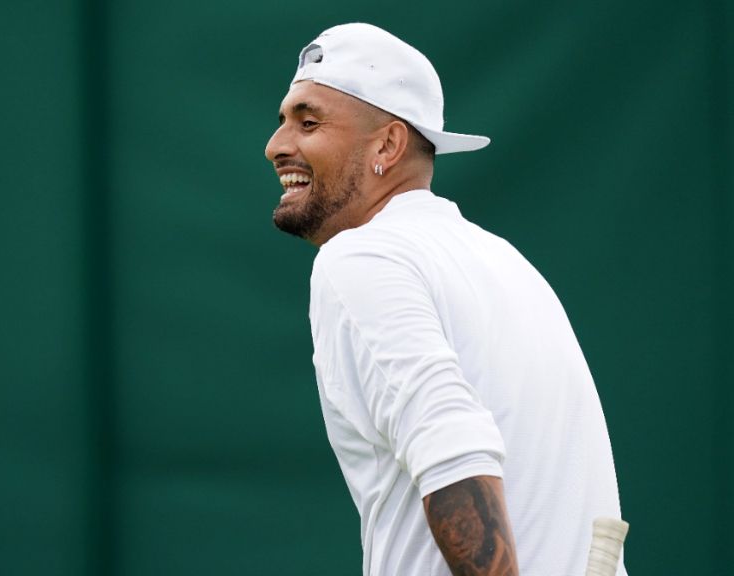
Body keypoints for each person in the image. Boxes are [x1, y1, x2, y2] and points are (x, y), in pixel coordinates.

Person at [264, 23, 628, 576]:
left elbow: (453, 452)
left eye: (308, 122)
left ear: (387, 144)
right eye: (284, 120)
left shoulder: (360, 258)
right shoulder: (505, 261)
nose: (277, 145)